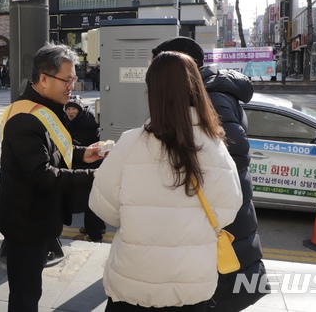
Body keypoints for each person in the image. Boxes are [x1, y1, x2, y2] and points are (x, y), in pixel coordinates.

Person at [89, 51, 242, 311]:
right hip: (192, 286)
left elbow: (102, 206)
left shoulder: (129, 144)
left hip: (133, 284)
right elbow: (229, 209)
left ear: (153, 94)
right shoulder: (216, 147)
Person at [152, 36, 268, 311]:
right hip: (221, 202)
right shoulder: (209, 89)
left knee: (221, 282)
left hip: (221, 206)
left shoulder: (212, 95)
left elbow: (236, 150)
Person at [0, 42, 103, 312]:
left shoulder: (41, 108)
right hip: (25, 223)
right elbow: (43, 175)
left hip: (34, 217)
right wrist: (94, 176)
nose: (72, 86)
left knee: (30, 289)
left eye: (73, 79)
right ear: (43, 79)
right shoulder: (25, 118)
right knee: (25, 295)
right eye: (67, 80)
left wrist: (82, 155)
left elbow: (52, 151)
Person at [64, 95, 106, 242]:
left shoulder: (83, 126)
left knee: (89, 203)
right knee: (92, 201)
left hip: (89, 168)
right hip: (90, 168)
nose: (70, 112)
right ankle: (98, 227)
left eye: (73, 109)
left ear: (80, 110)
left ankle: (93, 234)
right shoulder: (81, 120)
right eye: (68, 108)